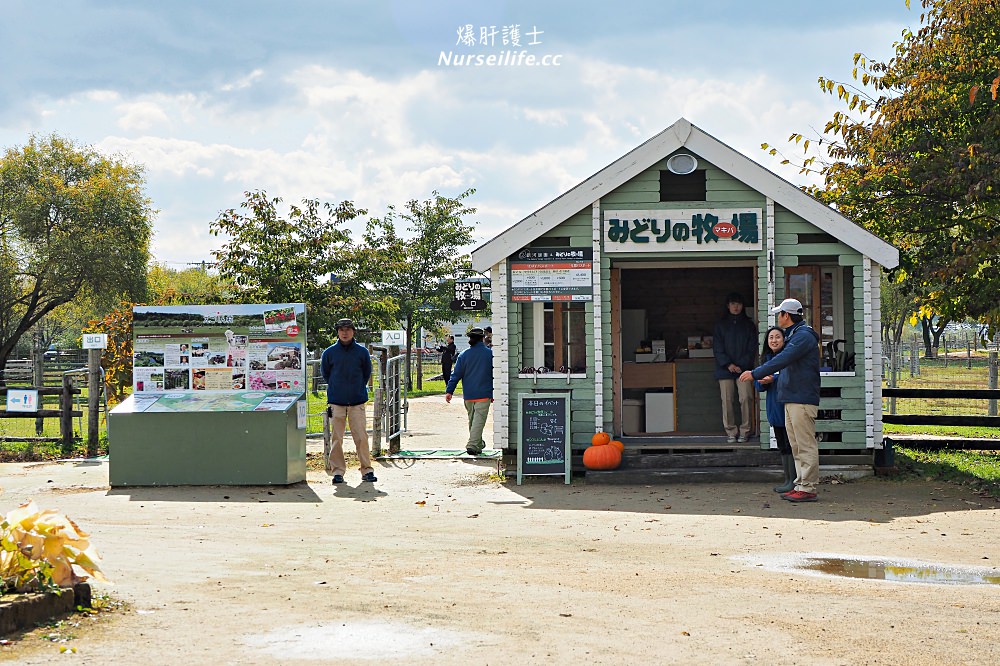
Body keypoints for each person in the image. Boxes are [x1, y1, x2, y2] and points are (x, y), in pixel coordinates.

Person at [739, 298, 821, 502]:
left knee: (805, 444)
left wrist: (756, 373)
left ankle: (808, 487)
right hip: (793, 398)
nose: (778, 318)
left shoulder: (802, 337)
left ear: (787, 315)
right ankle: (801, 484)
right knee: (796, 445)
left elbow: (782, 360)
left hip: (801, 398)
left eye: (780, 314)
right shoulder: (796, 336)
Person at [320, 318, 377, 484]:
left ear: (353, 331)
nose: (345, 332)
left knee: (361, 437)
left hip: (357, 402)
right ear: (337, 332)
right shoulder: (329, 353)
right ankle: (337, 471)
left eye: (348, 329)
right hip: (336, 402)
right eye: (341, 329)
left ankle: (367, 470)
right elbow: (326, 374)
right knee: (336, 438)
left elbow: (367, 373)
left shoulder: (362, 352)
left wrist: (357, 387)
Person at [754, 326, 795, 493]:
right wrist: (762, 381)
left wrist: (775, 378)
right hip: (773, 408)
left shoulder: (789, 358)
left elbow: (791, 378)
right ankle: (787, 479)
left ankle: (794, 480)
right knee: (782, 445)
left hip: (787, 406)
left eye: (778, 337)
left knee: (790, 444)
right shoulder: (766, 360)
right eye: (771, 337)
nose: (774, 340)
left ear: (784, 339)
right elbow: (758, 385)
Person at [713, 292, 758, 443]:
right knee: (727, 400)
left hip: (744, 369)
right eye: (733, 303)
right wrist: (728, 364)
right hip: (724, 369)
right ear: (728, 306)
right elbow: (717, 348)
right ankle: (731, 431)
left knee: (746, 397)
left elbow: (752, 348)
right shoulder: (720, 325)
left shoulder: (749, 325)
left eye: (738, 303)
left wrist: (741, 365)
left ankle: (745, 430)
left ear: (743, 306)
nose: (736, 307)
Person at [445, 327, 493, 456]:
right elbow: (494, 374)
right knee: (478, 421)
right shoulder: (490, 354)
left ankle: (478, 445)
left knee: (473, 421)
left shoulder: (464, 355)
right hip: (484, 393)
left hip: (469, 395)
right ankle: (472, 445)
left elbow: (455, 375)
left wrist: (449, 391)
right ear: (482, 338)